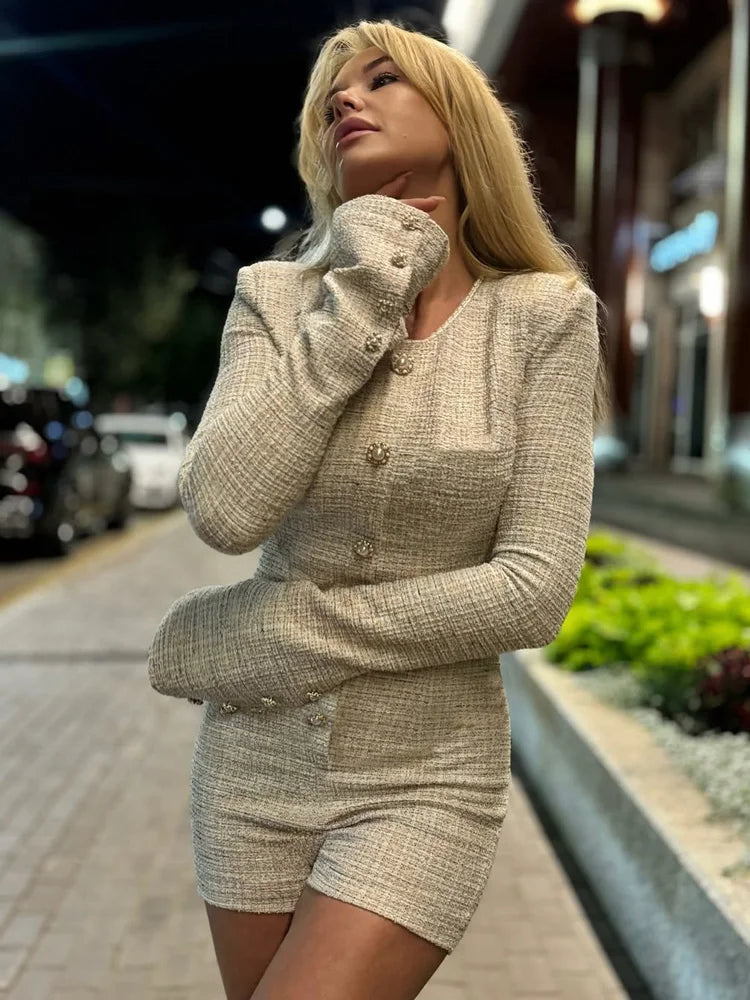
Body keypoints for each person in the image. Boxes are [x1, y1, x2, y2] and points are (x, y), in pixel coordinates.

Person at [148, 16, 611, 1000]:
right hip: (251, 766)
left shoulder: (543, 315)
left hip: (426, 774)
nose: (345, 98)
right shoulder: (276, 299)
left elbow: (530, 592)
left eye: (383, 79)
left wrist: (280, 630)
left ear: (461, 118)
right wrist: (359, 290)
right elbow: (228, 508)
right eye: (332, 94)